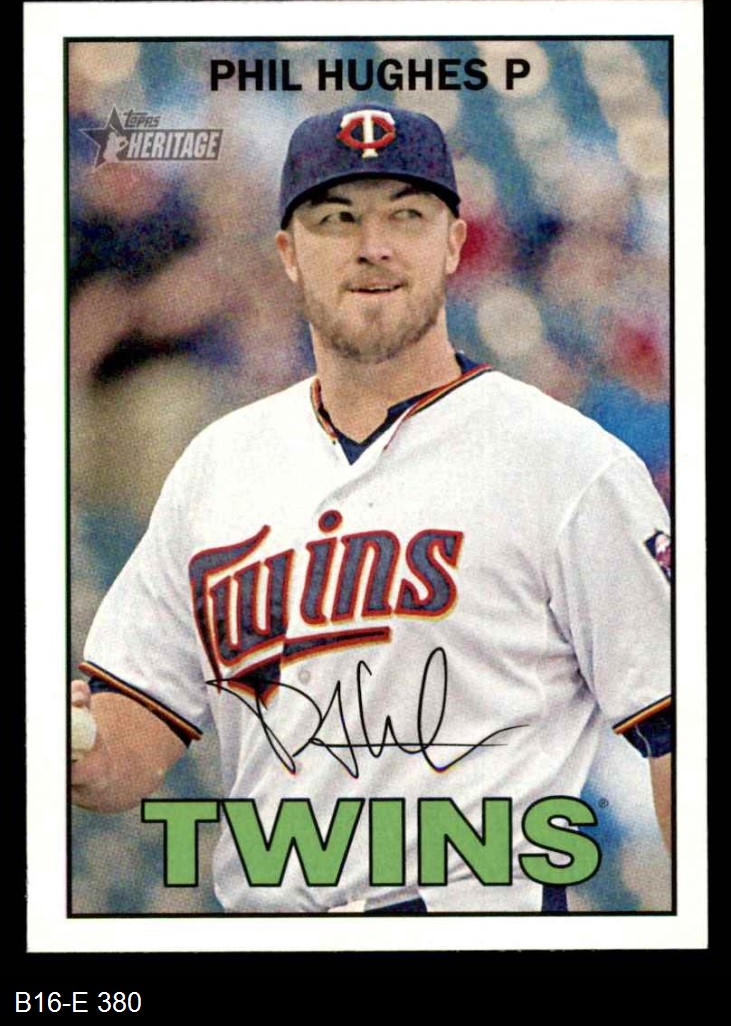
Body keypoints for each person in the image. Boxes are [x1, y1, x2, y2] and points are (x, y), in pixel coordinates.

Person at [71, 103, 672, 914]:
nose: (372, 245)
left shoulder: (569, 463)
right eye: (336, 219)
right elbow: (129, 741)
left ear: (454, 243)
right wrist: (78, 744)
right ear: (287, 254)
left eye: (406, 216)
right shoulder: (217, 465)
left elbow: (673, 728)